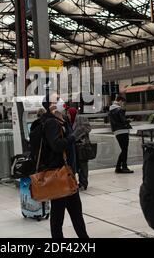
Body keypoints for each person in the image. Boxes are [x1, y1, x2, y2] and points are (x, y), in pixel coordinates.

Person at [39, 93, 89, 239]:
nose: (62, 101)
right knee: (58, 215)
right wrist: (74, 136)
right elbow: (57, 145)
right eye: (58, 99)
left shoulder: (62, 120)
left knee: (76, 213)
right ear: (50, 105)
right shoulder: (50, 123)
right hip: (58, 175)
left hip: (68, 174)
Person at [67, 107, 92, 191]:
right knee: (75, 165)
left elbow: (88, 128)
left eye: (69, 114)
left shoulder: (81, 118)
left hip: (82, 146)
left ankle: (84, 183)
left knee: (83, 165)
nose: (68, 115)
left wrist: (77, 134)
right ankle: (77, 183)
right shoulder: (68, 122)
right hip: (73, 147)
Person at [109, 96, 133, 173]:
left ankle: (118, 167)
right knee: (124, 150)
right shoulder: (119, 109)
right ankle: (124, 167)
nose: (123, 104)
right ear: (120, 101)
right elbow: (123, 121)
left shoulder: (111, 110)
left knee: (123, 150)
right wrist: (128, 121)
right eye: (123, 102)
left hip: (117, 131)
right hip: (123, 131)